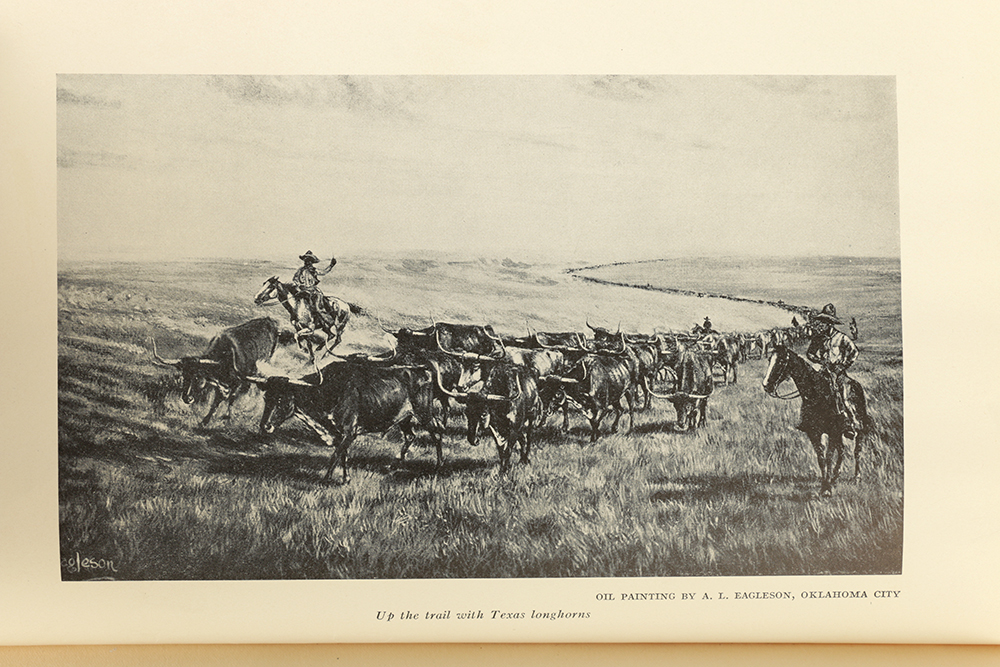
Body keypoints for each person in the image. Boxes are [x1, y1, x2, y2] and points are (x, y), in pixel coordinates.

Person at [806, 303, 860, 437]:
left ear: (830, 323)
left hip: (839, 373)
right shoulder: (818, 338)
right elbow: (810, 354)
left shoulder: (842, 338)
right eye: (821, 322)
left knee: (843, 395)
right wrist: (819, 360)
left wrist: (843, 365)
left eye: (824, 322)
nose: (821, 325)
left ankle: (851, 423)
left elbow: (854, 352)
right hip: (824, 371)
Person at [292, 250, 336, 322]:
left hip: (312, 290)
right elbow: (295, 279)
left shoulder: (314, 270)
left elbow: (324, 272)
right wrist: (299, 285)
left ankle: (324, 321)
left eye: (309, 260)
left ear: (312, 262)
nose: (307, 261)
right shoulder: (300, 270)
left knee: (317, 306)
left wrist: (331, 265)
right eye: (306, 260)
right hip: (302, 290)